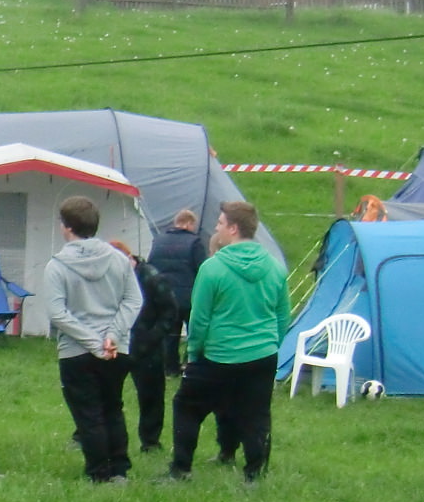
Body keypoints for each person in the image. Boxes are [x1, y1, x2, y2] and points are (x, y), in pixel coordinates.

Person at [169, 201, 292, 484]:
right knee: (257, 415)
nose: (216, 228)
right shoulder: (275, 268)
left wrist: (194, 352)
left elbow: (200, 319)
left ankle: (181, 469)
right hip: (262, 355)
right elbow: (282, 315)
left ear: (233, 229)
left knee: (187, 406)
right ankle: (254, 474)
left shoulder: (213, 269)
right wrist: (271, 344)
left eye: (220, 223)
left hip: (218, 355)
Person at [43, 195, 143, 483]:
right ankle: (119, 469)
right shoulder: (119, 259)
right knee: (113, 407)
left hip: (76, 351)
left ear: (66, 227)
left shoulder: (57, 266)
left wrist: (93, 342)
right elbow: (133, 300)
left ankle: (99, 472)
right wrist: (112, 335)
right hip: (116, 349)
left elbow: (57, 313)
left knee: (88, 413)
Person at [111, 240, 179, 453]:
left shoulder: (152, 277)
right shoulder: (109, 278)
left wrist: (152, 337)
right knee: (106, 392)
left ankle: (150, 442)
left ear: (128, 258)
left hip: (148, 348)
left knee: (151, 396)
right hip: (116, 344)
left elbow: (170, 311)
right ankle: (97, 436)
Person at [148, 209, 210, 375]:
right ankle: (192, 364)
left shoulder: (158, 241)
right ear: (189, 223)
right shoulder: (195, 242)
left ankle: (170, 368)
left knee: (170, 334)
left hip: (166, 295)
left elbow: (151, 266)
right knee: (194, 333)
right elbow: (202, 270)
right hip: (189, 297)